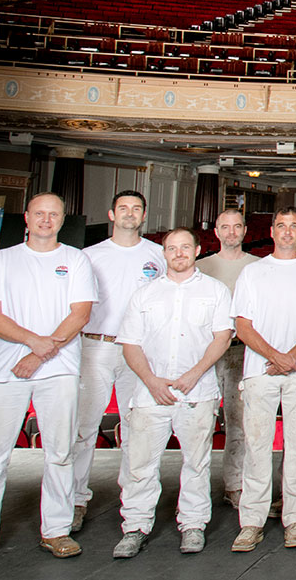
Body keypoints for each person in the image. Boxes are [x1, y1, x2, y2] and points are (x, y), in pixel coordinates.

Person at [0, 193, 97, 571]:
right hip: (6, 370)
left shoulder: (76, 260)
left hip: (60, 370)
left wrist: (39, 355)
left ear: (62, 220)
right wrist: (34, 345)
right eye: (39, 214)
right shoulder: (2, 261)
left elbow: (79, 314)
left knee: (60, 454)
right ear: (27, 219)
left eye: (54, 214)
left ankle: (57, 530)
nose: (46, 220)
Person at [113, 228, 234, 558]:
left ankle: (193, 524)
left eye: (185, 247)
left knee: (196, 463)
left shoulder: (216, 291)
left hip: (197, 391)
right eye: (171, 248)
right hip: (150, 392)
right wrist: (152, 381)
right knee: (140, 464)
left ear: (196, 250)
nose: (178, 253)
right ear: (163, 253)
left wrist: (194, 375)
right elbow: (130, 344)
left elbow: (221, 338)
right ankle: (135, 527)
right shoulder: (145, 294)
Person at [230, 207, 296, 551]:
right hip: (260, 372)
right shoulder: (252, 272)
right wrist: (275, 357)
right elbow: (243, 326)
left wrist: (290, 358)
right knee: (257, 446)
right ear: (272, 231)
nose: (287, 231)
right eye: (281, 226)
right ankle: (252, 521)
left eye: (293, 226)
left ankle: (294, 518)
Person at [71, 191, 165, 532]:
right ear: (112, 213)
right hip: (96, 345)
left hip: (138, 350)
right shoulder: (88, 256)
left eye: (136, 209)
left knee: (135, 428)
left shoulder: (158, 255)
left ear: (143, 216)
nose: (129, 214)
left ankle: (133, 503)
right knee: (83, 428)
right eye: (123, 208)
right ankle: (75, 499)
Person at [195, 209, 260, 509]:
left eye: (236, 227)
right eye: (225, 227)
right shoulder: (200, 267)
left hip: (241, 350)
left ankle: (235, 484)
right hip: (205, 350)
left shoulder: (259, 267)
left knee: (239, 421)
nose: (231, 232)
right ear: (217, 232)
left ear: (245, 231)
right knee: (199, 421)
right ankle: (194, 492)